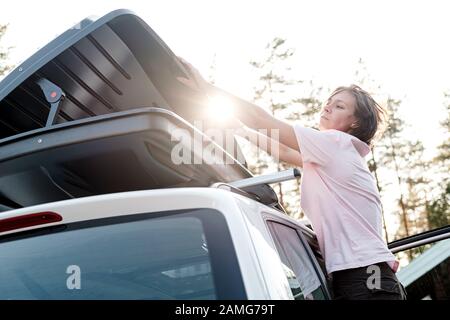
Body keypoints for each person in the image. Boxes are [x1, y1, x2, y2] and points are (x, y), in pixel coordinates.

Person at [176, 57, 407, 300]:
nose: (327, 107)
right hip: (363, 277)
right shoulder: (333, 156)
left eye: (339, 106)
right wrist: (240, 130)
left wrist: (207, 88)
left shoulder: (336, 144)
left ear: (355, 122)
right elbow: (285, 152)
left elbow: (263, 120)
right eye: (328, 103)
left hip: (367, 278)